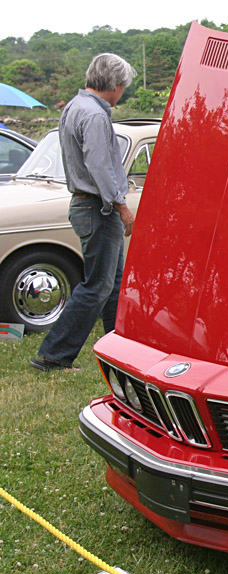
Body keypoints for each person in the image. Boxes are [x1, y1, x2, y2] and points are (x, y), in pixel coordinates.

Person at [30, 53, 136, 372]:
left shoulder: (75, 107)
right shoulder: (95, 115)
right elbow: (101, 166)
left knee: (113, 283)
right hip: (97, 208)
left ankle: (120, 351)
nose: (123, 93)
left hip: (87, 204)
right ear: (116, 85)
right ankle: (54, 355)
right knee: (97, 286)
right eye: (124, 87)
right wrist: (121, 206)